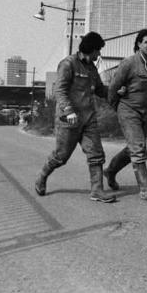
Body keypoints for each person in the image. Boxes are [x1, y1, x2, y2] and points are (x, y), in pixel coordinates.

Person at [34, 31, 116, 203]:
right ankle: (42, 176)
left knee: (96, 154)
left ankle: (97, 190)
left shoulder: (92, 68)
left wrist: (117, 93)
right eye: (98, 50)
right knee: (61, 156)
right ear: (91, 49)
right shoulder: (68, 64)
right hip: (68, 118)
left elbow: (100, 90)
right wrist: (69, 111)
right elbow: (60, 91)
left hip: (88, 118)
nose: (99, 54)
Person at [104, 28, 147, 203]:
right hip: (128, 110)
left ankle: (111, 171)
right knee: (138, 148)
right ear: (139, 44)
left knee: (133, 148)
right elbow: (113, 87)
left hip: (145, 111)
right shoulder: (129, 63)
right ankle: (145, 189)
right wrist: (116, 106)